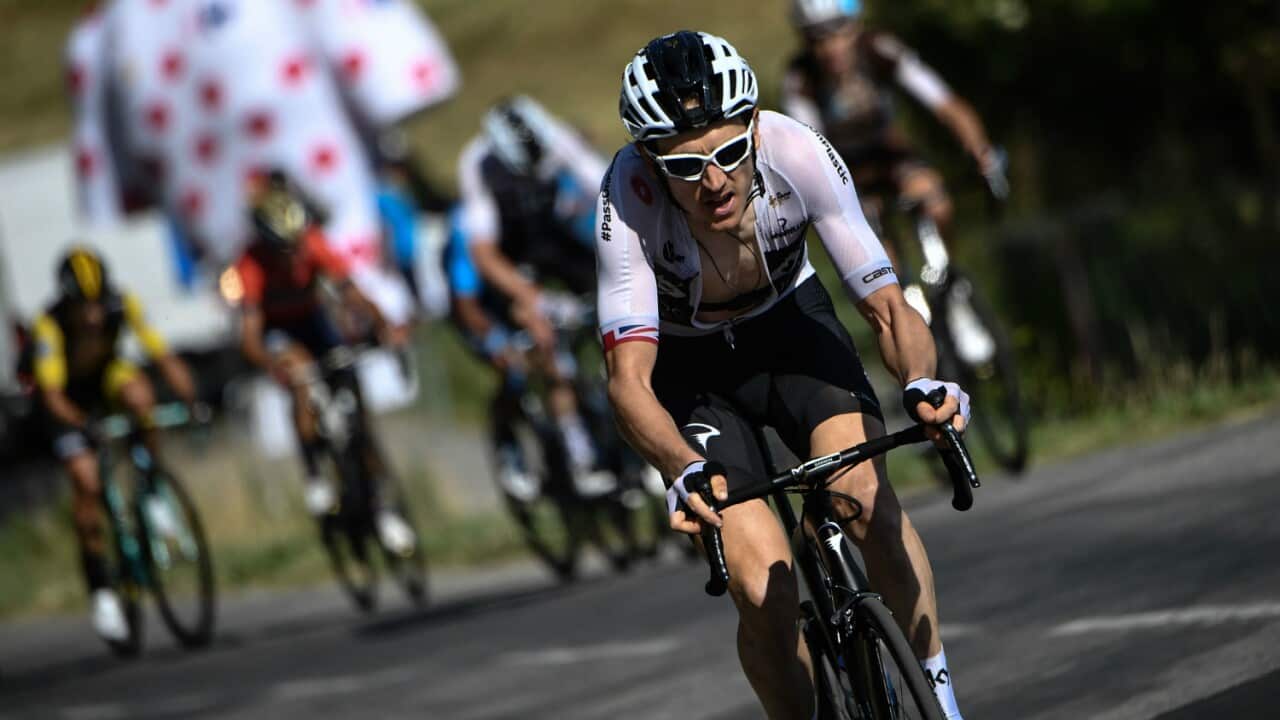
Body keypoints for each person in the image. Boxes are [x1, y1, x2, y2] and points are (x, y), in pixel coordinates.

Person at [599, 31, 971, 719]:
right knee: (760, 587)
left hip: (790, 327)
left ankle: (939, 698)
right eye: (686, 168)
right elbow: (628, 379)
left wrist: (924, 382)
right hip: (694, 371)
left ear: (753, 130)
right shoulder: (627, 197)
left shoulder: (796, 149)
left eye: (731, 154)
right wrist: (679, 467)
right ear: (650, 162)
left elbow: (888, 305)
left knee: (863, 496)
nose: (714, 183)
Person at [232, 172, 413, 553]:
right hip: (278, 331)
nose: (293, 254)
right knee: (301, 378)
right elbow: (249, 337)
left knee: (359, 426)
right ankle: (316, 472)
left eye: (296, 245)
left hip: (315, 322)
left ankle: (383, 510)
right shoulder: (249, 266)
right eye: (284, 248)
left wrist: (382, 327)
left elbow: (352, 293)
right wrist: (271, 363)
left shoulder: (312, 242)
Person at [31, 246, 198, 643]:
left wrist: (193, 400)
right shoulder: (48, 327)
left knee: (142, 398)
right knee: (87, 484)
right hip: (67, 403)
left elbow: (162, 355)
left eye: (97, 305)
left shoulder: (122, 305)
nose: (93, 316)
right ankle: (101, 589)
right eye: (83, 308)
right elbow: (52, 395)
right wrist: (83, 424)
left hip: (106, 382)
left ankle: (151, 485)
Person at [455, 96, 612, 496]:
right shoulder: (477, 165)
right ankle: (573, 452)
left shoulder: (555, 137)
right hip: (506, 254)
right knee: (542, 346)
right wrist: (532, 298)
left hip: (550, 237)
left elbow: (608, 190)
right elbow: (484, 256)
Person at [781, 0, 999, 275]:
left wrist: (981, 150)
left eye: (838, 30)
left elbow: (946, 105)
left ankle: (951, 277)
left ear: (856, 26)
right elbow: (810, 150)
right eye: (817, 37)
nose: (831, 46)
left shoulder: (878, 47)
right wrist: (844, 201)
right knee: (882, 262)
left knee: (936, 203)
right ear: (804, 40)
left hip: (890, 155)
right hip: (845, 171)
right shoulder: (800, 79)